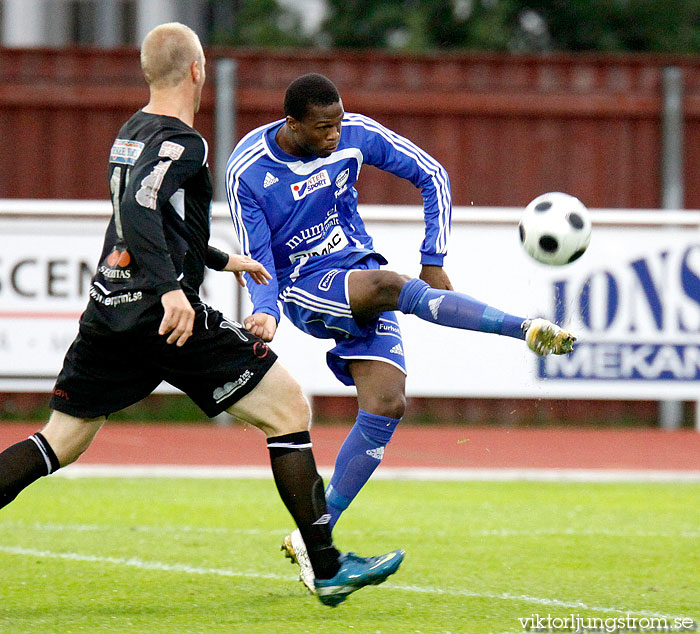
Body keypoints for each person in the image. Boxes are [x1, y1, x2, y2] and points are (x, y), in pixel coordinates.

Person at [0, 27, 404, 608]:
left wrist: (217, 257)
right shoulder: (182, 142)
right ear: (197, 70)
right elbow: (140, 208)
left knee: (60, 441)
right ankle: (328, 564)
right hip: (164, 313)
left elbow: (142, 219)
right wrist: (171, 290)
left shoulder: (130, 132)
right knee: (288, 409)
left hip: (109, 306)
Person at [225, 73, 576, 591]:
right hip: (303, 286)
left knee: (387, 404)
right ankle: (522, 328)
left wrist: (434, 258)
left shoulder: (354, 134)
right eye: (323, 127)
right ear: (292, 124)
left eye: (339, 123)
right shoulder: (249, 171)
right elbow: (255, 253)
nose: (335, 135)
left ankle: (313, 539)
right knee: (393, 284)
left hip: (359, 268)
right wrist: (265, 309)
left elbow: (432, 174)